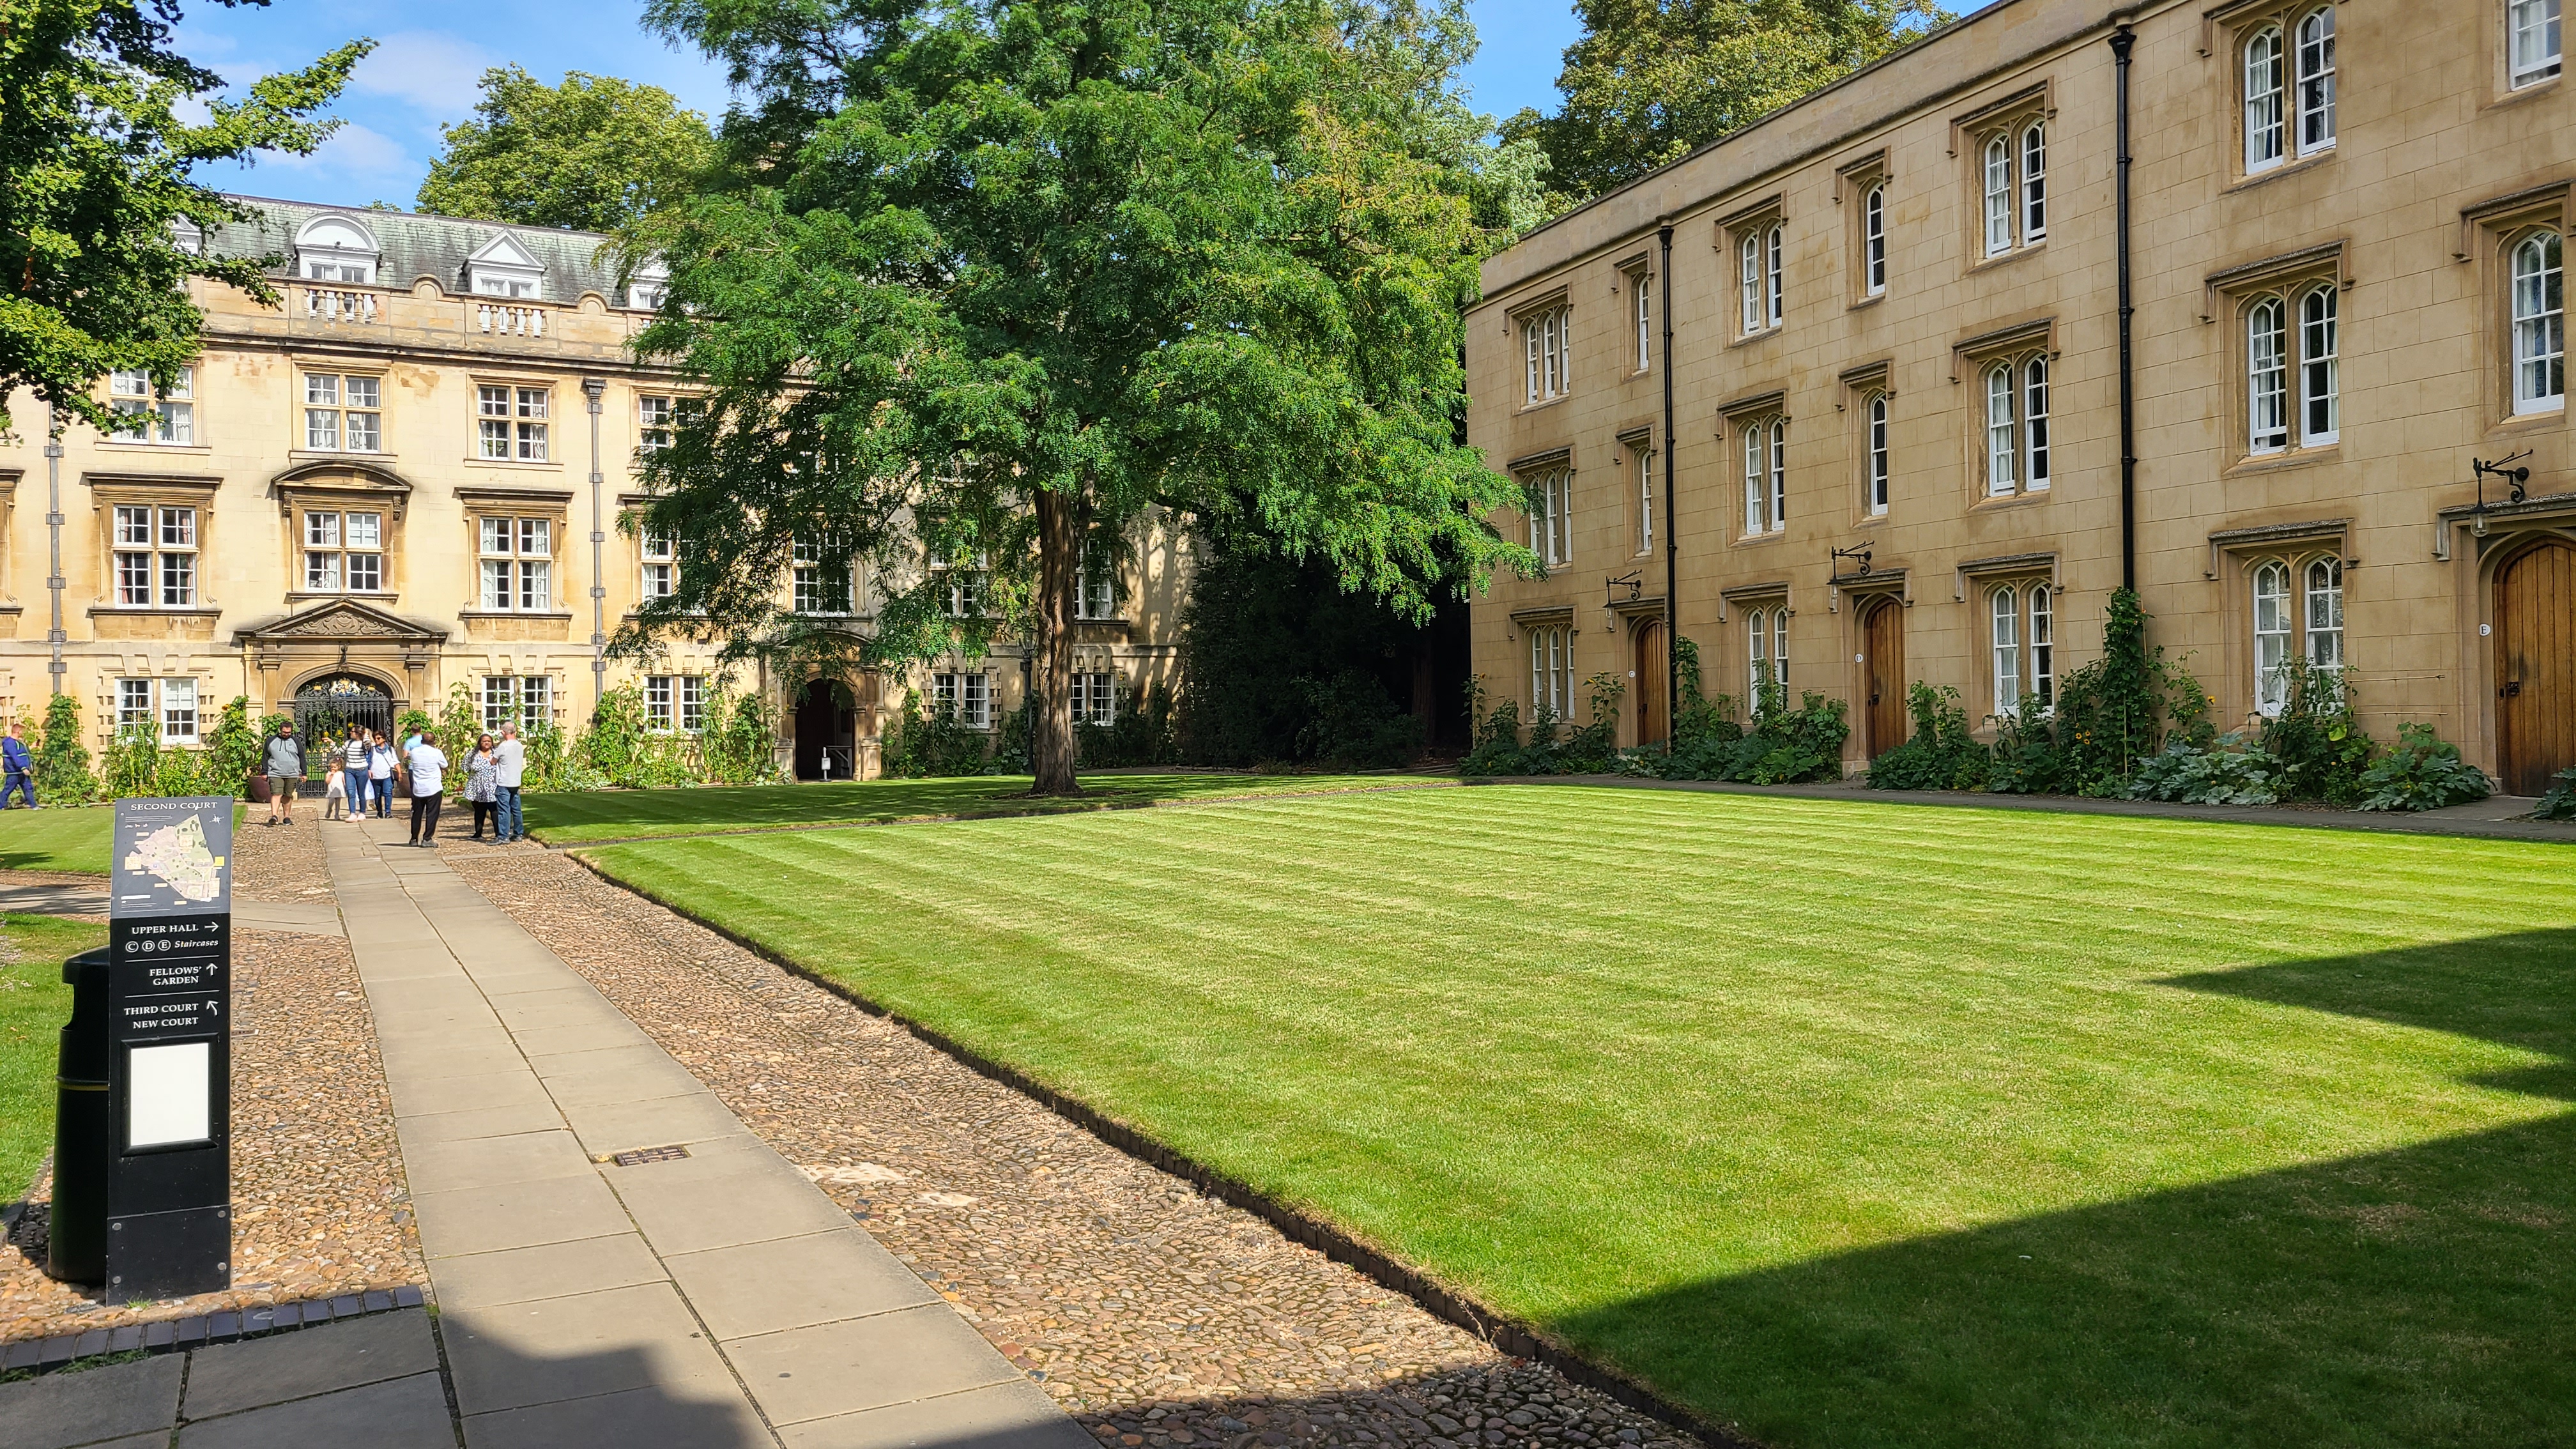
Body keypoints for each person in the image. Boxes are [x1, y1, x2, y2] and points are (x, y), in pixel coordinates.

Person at [406, 728, 448, 846]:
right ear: (434, 741)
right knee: (432, 814)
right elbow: (445, 764)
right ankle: (427, 838)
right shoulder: (437, 753)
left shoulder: (414, 752)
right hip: (433, 787)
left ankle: (414, 838)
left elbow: (408, 757)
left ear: (422, 741)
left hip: (418, 787)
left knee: (417, 813)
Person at [492, 722, 526, 843]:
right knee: (516, 809)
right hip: (515, 781)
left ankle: (503, 836)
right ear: (515, 732)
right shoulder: (519, 745)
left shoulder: (503, 746)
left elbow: (493, 761)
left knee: (504, 810)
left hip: (504, 781)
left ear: (503, 733)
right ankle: (518, 833)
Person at [264, 720, 303, 826]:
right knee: (276, 794)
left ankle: (287, 817)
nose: (286, 734)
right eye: (284, 732)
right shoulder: (271, 741)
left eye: (289, 732)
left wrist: (304, 773)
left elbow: (302, 757)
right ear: (280, 730)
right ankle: (274, 816)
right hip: (275, 772)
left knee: (287, 795)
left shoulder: (296, 741)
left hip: (292, 773)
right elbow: (265, 756)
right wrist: (264, 771)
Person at [463, 733, 499, 839]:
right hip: (477, 787)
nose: (487, 743)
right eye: (484, 741)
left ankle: (499, 834)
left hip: (493, 787)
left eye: (489, 741)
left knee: (495, 811)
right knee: (479, 811)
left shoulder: (496, 753)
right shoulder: (473, 754)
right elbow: (465, 767)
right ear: (480, 743)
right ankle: (478, 833)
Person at [1, 722, 34, 809]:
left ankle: (34, 806)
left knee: (28, 788)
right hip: (14, 772)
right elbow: (15, 757)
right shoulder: (9, 743)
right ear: (18, 732)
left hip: (21, 772)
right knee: (8, 789)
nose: (23, 733)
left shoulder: (18, 742)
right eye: (22, 731)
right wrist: (23, 768)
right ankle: (1, 805)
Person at [342, 729, 371, 823]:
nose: (350, 732)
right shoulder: (348, 743)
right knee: (351, 792)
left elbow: (368, 743)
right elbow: (338, 752)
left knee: (361, 792)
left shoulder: (364, 743)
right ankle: (352, 814)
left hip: (362, 770)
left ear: (358, 733)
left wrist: (366, 734)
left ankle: (362, 812)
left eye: (353, 731)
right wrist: (332, 744)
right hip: (349, 770)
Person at [367, 730, 397, 818]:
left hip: (387, 775)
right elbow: (368, 761)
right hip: (375, 776)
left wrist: (399, 772)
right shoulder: (372, 749)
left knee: (388, 793)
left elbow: (395, 761)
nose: (377, 740)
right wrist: (368, 770)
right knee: (377, 795)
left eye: (379, 738)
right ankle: (379, 812)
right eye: (375, 738)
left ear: (384, 739)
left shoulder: (390, 749)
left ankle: (388, 812)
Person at [324, 752, 347, 820]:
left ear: (339, 767)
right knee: (331, 802)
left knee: (338, 803)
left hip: (339, 789)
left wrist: (346, 787)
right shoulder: (329, 774)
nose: (333, 768)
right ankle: (329, 809)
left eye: (335, 767)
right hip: (332, 790)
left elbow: (344, 781)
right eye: (332, 767)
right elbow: (327, 781)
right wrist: (331, 775)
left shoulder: (341, 773)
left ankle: (337, 814)